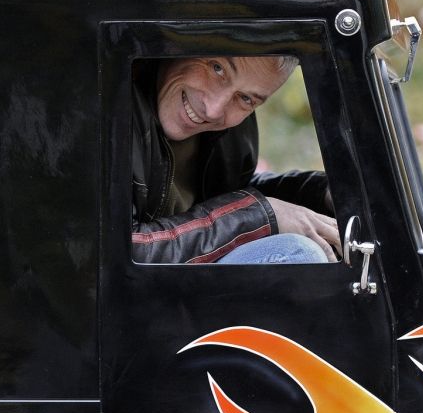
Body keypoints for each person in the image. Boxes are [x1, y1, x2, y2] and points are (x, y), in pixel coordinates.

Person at [130, 55, 344, 264]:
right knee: (296, 254)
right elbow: (118, 252)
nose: (213, 110)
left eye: (245, 98)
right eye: (217, 68)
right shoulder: (110, 107)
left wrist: (319, 194)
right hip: (132, 296)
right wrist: (257, 216)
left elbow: (228, 199)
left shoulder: (232, 131)